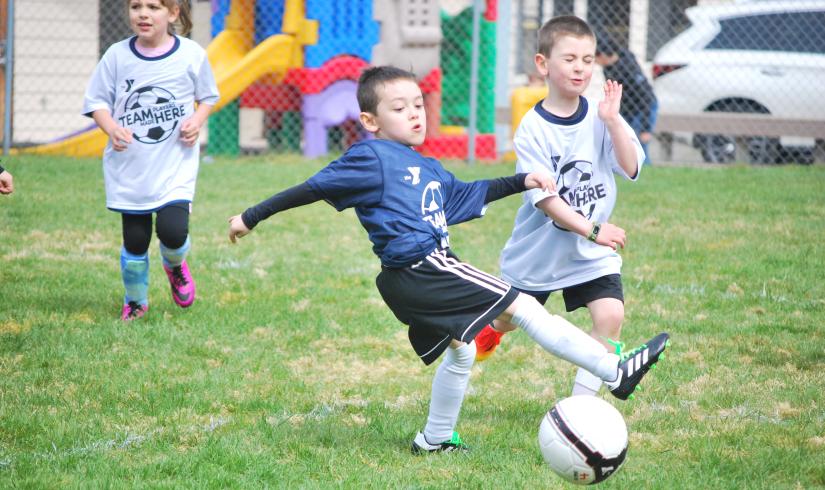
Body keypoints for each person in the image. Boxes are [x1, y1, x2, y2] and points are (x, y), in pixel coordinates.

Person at [228, 65, 669, 453]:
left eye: (418, 104)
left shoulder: (429, 168)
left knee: (461, 353)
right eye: (399, 108)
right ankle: (613, 370)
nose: (415, 113)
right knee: (524, 307)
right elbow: (310, 188)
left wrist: (521, 180)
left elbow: (467, 194)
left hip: (414, 276)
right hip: (423, 266)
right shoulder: (371, 157)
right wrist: (251, 216)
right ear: (370, 121)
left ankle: (435, 438)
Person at [474, 16, 652, 400]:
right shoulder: (533, 130)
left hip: (590, 252)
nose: (580, 68)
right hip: (540, 253)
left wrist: (613, 121)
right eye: (570, 58)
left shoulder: (601, 115)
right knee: (509, 319)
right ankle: (491, 331)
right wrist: (593, 228)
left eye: (588, 60)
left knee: (610, 317)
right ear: (543, 65)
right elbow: (548, 202)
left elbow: (631, 166)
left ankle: (581, 411)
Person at [82, 0, 219, 321]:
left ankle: (175, 266)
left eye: (154, 7)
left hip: (175, 164)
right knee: (136, 240)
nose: (143, 14)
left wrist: (197, 122)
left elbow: (208, 96)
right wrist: (112, 128)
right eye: (136, 6)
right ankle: (135, 300)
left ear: (173, 13)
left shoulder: (191, 55)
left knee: (173, 232)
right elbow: (96, 101)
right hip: (131, 167)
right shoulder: (117, 56)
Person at [595, 35, 658, 165]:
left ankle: (644, 168)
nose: (595, 62)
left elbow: (645, 97)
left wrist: (645, 128)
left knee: (640, 144)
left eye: (595, 58)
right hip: (627, 110)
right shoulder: (610, 66)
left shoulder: (628, 67)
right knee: (622, 139)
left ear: (603, 56)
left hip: (643, 107)